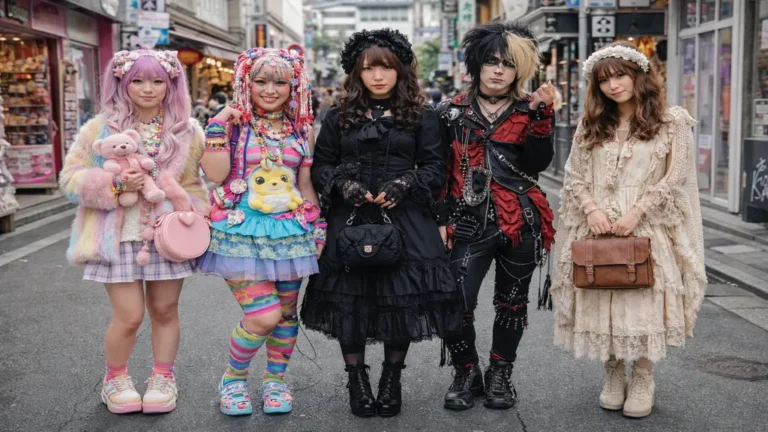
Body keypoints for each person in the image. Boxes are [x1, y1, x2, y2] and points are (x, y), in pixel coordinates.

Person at [300, 28, 463, 418]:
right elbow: (321, 163)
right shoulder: (338, 116)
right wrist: (343, 183)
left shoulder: (422, 115)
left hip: (406, 218)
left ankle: (392, 378)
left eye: (386, 68)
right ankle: (356, 378)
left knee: (399, 301)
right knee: (351, 302)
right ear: (356, 72)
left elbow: (435, 165)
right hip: (350, 217)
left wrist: (406, 182)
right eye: (369, 68)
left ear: (400, 71)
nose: (377, 76)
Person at [551, 41, 706, 418]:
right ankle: (613, 372)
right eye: (604, 80)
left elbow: (675, 176)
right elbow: (573, 175)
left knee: (642, 301)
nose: (613, 85)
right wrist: (591, 210)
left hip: (647, 228)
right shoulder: (591, 125)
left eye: (620, 75)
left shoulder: (672, 122)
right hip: (598, 227)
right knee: (603, 296)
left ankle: (643, 376)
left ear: (639, 76)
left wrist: (638, 211)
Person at [59, 49, 209, 414]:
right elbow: (70, 178)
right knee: (129, 316)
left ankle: (162, 377)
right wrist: (113, 185)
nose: (147, 89)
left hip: (166, 236)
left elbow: (194, 185)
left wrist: (190, 211)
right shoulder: (99, 129)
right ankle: (116, 378)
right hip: (117, 236)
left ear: (171, 84)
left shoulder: (187, 131)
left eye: (158, 81)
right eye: (137, 80)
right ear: (122, 82)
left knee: (165, 309)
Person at [434, 21, 556, 411]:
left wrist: (541, 117)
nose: (499, 70)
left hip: (520, 220)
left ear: (519, 69)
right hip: (466, 222)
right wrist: (439, 219)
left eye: (507, 63)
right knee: (455, 299)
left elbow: (537, 165)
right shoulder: (449, 113)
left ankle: (500, 373)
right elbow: (437, 171)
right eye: (491, 61)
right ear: (476, 64)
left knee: (513, 303)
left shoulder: (528, 110)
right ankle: (466, 370)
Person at [197, 47, 322, 416]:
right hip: (240, 232)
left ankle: (274, 381)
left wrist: (318, 226)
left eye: (280, 82)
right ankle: (234, 379)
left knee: (285, 315)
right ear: (245, 83)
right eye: (261, 80)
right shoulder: (233, 124)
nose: (270, 89)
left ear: (293, 85)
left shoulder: (302, 129)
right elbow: (217, 175)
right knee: (263, 314)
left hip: (291, 232)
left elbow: (305, 184)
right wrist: (218, 124)